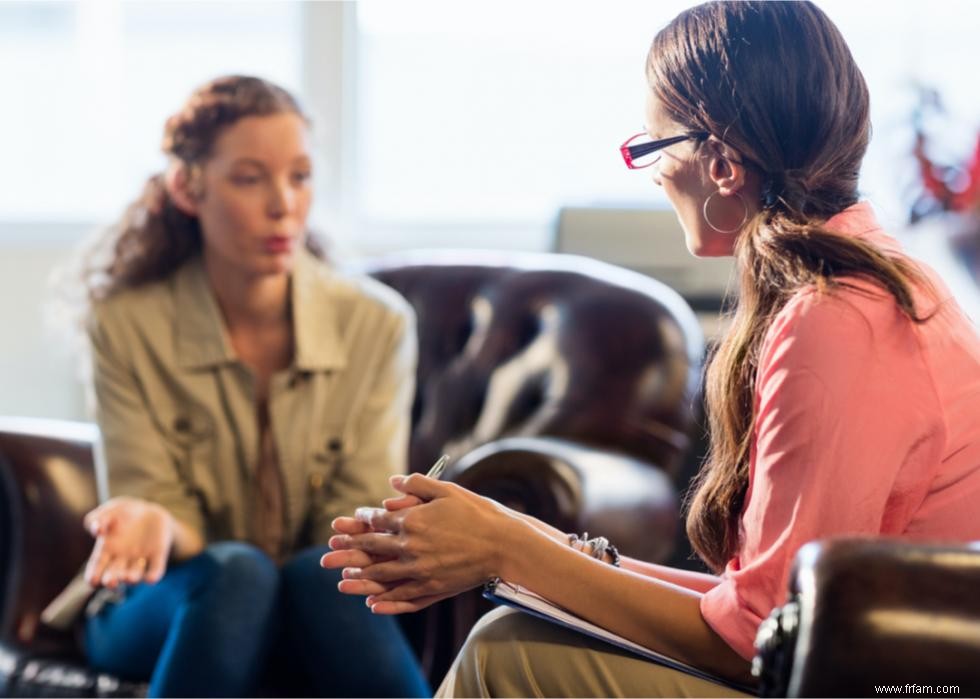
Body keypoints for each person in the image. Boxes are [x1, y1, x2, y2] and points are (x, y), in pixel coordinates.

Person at [321, 2, 980, 697]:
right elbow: (757, 601)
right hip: (881, 669)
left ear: (722, 164)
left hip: (895, 683)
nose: (654, 173)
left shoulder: (837, 320)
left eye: (653, 147)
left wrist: (506, 546)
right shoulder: (872, 282)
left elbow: (761, 636)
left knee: (506, 653)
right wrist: (524, 540)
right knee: (518, 637)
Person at [74, 75, 430, 698]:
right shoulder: (125, 322)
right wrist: (154, 521)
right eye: (249, 178)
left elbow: (355, 521)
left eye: (299, 176)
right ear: (189, 187)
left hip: (315, 595)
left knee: (323, 578)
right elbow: (150, 497)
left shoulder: (378, 323)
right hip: (164, 598)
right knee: (237, 576)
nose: (283, 204)